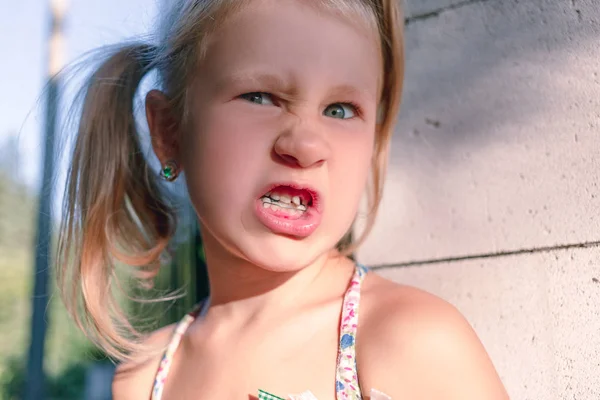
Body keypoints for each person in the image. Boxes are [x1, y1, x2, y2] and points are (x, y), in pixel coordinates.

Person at [57, 0, 509, 398]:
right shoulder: (145, 376)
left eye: (340, 109)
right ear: (169, 132)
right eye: (261, 97)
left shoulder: (408, 342)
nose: (305, 144)